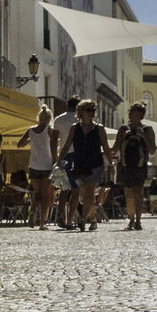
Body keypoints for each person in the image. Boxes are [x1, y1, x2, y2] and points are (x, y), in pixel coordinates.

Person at [58, 99, 113, 232]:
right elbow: (66, 145)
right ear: (81, 112)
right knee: (83, 195)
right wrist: (59, 159)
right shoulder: (74, 128)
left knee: (88, 193)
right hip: (79, 164)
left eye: (93, 110)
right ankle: (93, 219)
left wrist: (111, 163)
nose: (92, 112)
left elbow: (106, 147)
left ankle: (82, 220)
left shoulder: (99, 129)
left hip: (95, 164)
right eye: (88, 110)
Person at [111, 102, 156, 231]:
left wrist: (143, 137)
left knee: (138, 191)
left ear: (141, 116)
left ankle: (137, 221)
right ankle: (131, 219)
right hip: (125, 164)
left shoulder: (148, 129)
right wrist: (123, 137)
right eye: (132, 113)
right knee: (128, 193)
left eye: (137, 114)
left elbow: (152, 149)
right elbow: (116, 147)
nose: (133, 116)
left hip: (140, 165)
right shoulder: (123, 129)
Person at [17, 106, 58, 229]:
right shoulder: (49, 130)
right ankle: (42, 222)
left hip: (34, 165)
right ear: (49, 118)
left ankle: (32, 211)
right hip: (47, 165)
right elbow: (53, 147)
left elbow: (19, 144)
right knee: (46, 195)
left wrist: (31, 140)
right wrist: (55, 163)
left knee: (37, 194)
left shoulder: (30, 130)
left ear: (38, 118)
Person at [50, 95, 81, 228]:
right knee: (76, 189)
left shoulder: (58, 119)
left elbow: (53, 140)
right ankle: (71, 218)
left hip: (63, 155)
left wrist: (55, 157)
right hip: (78, 155)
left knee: (64, 188)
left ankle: (61, 217)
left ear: (67, 105)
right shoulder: (80, 119)